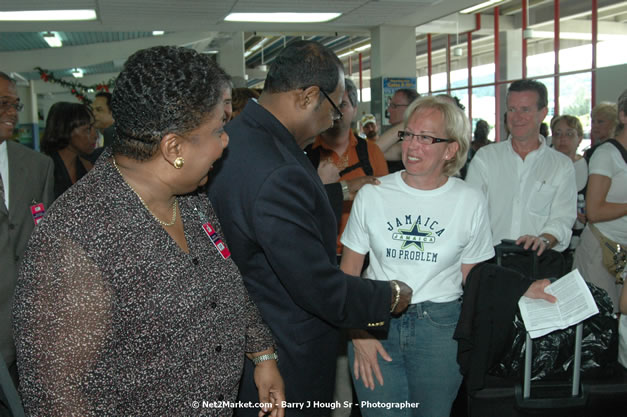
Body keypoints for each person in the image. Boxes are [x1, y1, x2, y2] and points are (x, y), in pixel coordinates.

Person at [13, 46, 284, 417]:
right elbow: (54, 396)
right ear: (173, 146)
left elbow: (223, 282)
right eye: (218, 129)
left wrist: (262, 353)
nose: (225, 141)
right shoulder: (76, 238)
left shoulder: (190, 199)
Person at [208, 40, 412, 417]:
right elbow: (316, 286)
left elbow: (269, 227)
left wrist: (332, 193)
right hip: (284, 352)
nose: (333, 121)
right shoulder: (277, 166)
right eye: (333, 109)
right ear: (308, 97)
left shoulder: (239, 138)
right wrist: (390, 296)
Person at [340, 96, 555, 417]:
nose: (412, 145)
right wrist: (359, 332)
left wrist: (522, 289)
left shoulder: (468, 200)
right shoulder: (373, 193)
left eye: (426, 138)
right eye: (409, 134)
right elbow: (347, 274)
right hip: (375, 321)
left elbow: (475, 277)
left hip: (440, 330)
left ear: (451, 149)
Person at [466, 79, 577, 256]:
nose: (517, 117)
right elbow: (469, 211)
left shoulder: (561, 166)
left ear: (543, 113)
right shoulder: (486, 158)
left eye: (525, 109)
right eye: (512, 109)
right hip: (490, 263)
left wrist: (544, 239)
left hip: (538, 263)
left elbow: (563, 218)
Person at [0, 71, 54, 385]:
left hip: (30, 331)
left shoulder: (37, 166)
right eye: (2, 103)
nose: (11, 112)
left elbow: (45, 240)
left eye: (15, 105)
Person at [307, 78, 389, 254]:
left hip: (362, 253)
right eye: (331, 104)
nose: (335, 111)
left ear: (355, 110)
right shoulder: (306, 152)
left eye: (342, 104)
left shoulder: (371, 153)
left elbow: (385, 206)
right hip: (317, 251)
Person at [573, 89, 627, 313]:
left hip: (621, 249)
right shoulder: (607, 154)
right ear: (623, 116)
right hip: (601, 248)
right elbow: (594, 211)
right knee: (601, 322)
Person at [40, 102, 98, 200]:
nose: (95, 136)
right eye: (87, 129)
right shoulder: (42, 169)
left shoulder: (88, 167)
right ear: (66, 131)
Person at [377, 89, 420, 164]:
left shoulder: (414, 141)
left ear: (411, 108)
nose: (389, 110)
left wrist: (410, 119)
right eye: (389, 105)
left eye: (394, 106)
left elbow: (375, 150)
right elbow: (373, 151)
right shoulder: (396, 136)